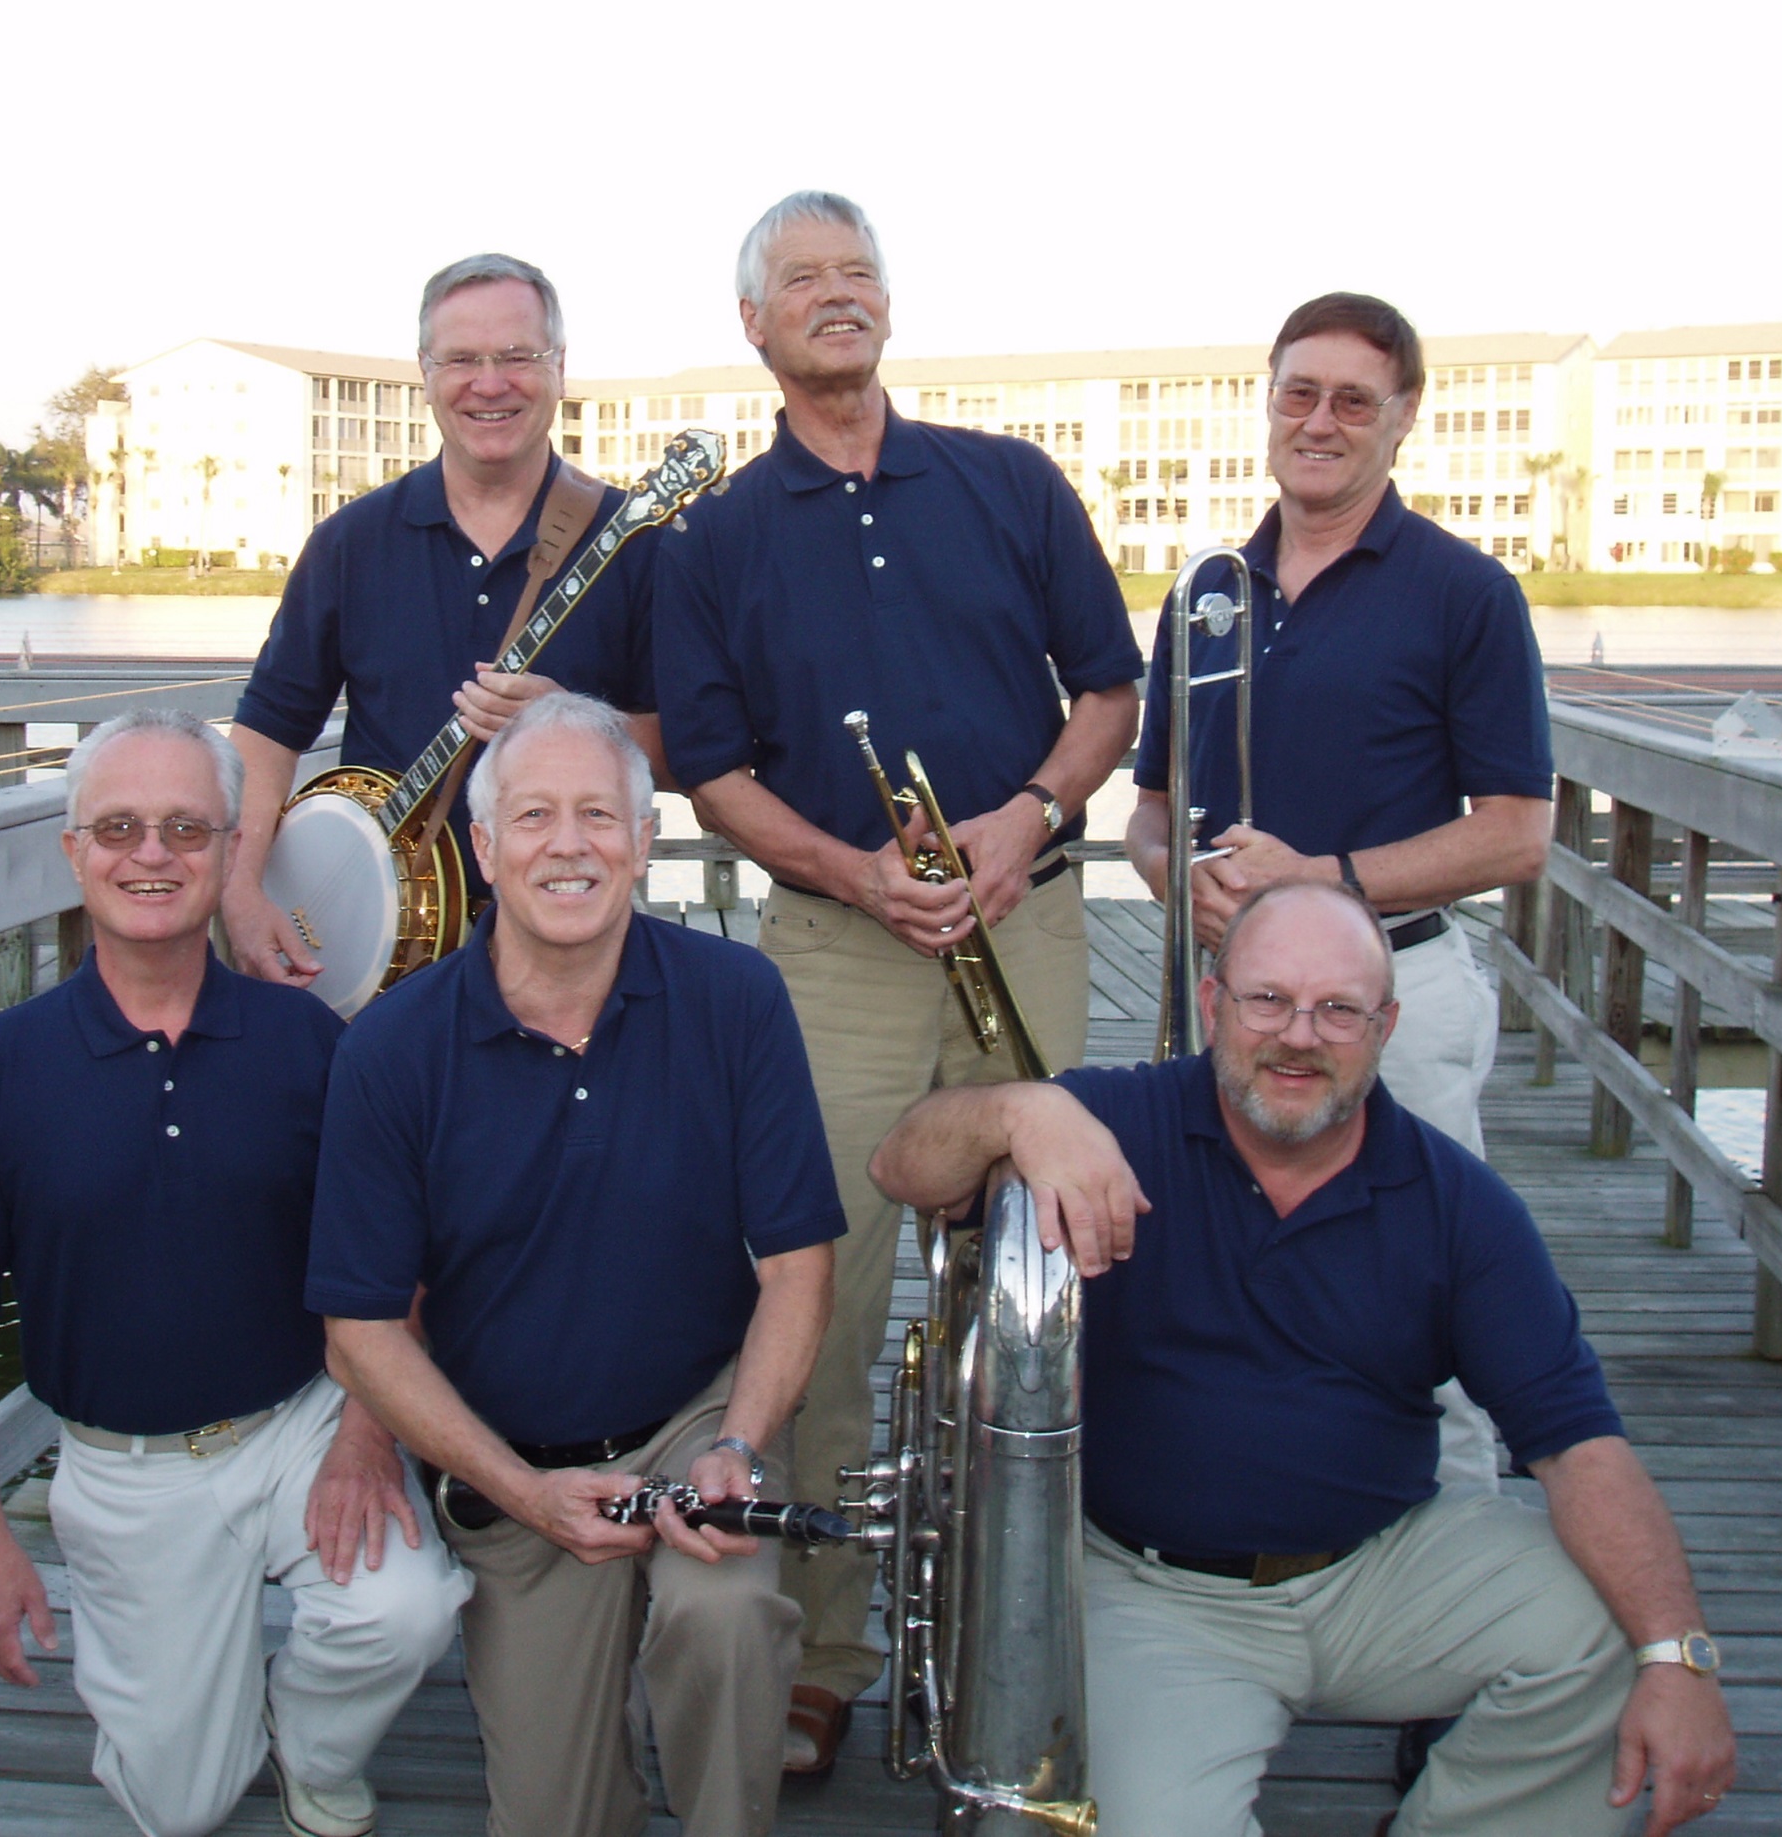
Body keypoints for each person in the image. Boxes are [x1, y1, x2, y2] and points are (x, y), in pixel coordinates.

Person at [869, 882, 1737, 1837]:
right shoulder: (1115, 1122)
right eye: (1268, 1000)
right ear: (1213, 1004)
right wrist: (1019, 1116)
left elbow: (1579, 1448)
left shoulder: (1461, 1205)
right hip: (1160, 1595)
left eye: (1338, 1010)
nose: (1299, 1036)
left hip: (1382, 1566)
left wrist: (1680, 1657)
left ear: (1386, 1025)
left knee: (1623, 1632)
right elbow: (901, 1166)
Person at [652, 188, 1144, 1770]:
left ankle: (1068, 1608)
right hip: (840, 946)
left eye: (856, 273)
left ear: (887, 307)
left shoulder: (1010, 483)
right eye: (802, 280)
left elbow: (1110, 696)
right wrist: (854, 871)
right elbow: (713, 775)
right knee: (828, 1283)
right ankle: (827, 1644)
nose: (835, 297)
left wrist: (1027, 818)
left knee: (1051, 1271)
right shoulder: (713, 538)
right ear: (757, 327)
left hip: (1031, 913)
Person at [0, 709, 468, 1837]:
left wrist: (363, 1437)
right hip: (125, 1469)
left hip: (302, 1419)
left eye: (187, 831)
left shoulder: (312, 1045)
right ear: (73, 852)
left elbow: (395, 1256)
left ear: (230, 849)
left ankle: (312, 1745)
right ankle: (201, 1721)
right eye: (119, 827)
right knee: (179, 1805)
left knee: (401, 1613)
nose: (151, 854)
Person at [308, 690, 844, 1837]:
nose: (570, 845)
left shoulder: (737, 1000)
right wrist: (521, 1493)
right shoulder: (392, 1049)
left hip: (694, 1419)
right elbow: (358, 1331)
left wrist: (740, 1445)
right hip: (513, 1461)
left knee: (727, 1621)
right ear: (484, 848)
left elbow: (798, 1263)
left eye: (600, 815)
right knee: (557, 1817)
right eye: (536, 816)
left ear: (645, 843)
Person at [1127, 291, 1554, 1501]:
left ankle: (1457, 1604)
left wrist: (1315, 886)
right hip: (1235, 1006)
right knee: (1222, 1279)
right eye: (1298, 394)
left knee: (1439, 1296)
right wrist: (1186, 891)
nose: (1320, 422)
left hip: (1393, 995)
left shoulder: (1465, 595)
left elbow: (1517, 836)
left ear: (1401, 419)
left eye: (1352, 401)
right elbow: (1152, 815)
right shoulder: (1203, 590)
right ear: (1268, 405)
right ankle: (1248, 1545)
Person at [223, 252, 664, 987]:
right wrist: (238, 892)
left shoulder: (634, 542)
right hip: (373, 959)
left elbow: (688, 758)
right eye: (461, 359)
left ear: (560, 367)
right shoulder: (350, 544)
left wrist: (577, 720)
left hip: (578, 953)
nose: (489, 384)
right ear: (424, 372)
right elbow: (268, 734)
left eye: (518, 356)